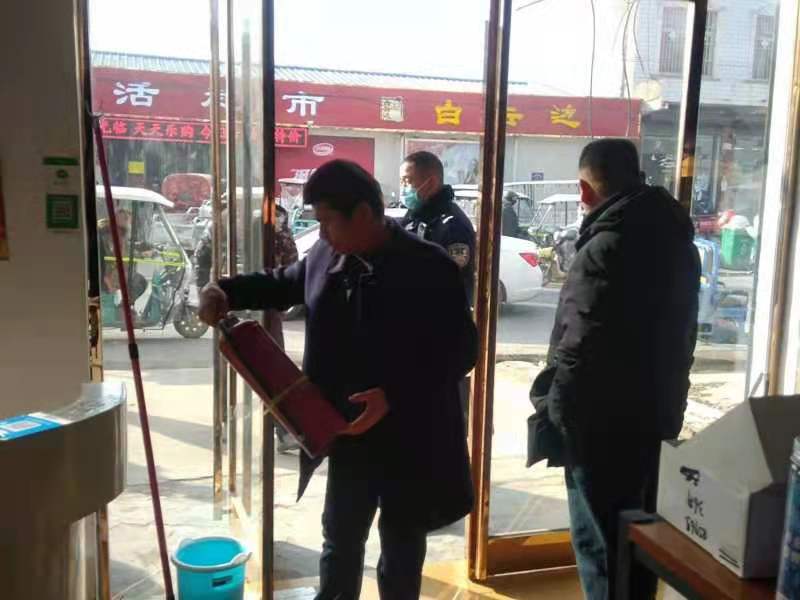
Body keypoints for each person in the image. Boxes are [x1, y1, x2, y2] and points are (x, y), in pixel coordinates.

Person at [199, 160, 477, 599]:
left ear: (363, 213)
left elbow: (461, 351)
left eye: (328, 221)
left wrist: (393, 395)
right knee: (340, 538)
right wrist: (226, 290)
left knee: (401, 545)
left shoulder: (429, 267)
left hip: (410, 435)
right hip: (346, 434)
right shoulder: (326, 255)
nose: (322, 233)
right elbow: (282, 284)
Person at [531, 139, 700, 600]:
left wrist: (554, 408)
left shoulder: (604, 246)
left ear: (585, 190)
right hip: (657, 412)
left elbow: (578, 345)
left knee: (601, 544)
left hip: (600, 426)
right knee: (640, 536)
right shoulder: (678, 241)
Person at [194, 202, 301, 453]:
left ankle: (243, 425)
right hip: (246, 305)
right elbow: (291, 262)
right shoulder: (271, 227)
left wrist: (206, 289)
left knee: (261, 369)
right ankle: (275, 429)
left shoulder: (223, 226)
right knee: (268, 369)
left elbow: (291, 269)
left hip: (243, 305)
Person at [399, 151, 476, 301]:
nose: (403, 188)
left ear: (431, 183)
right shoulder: (416, 216)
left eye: (407, 181)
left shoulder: (452, 226)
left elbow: (452, 283)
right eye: (401, 181)